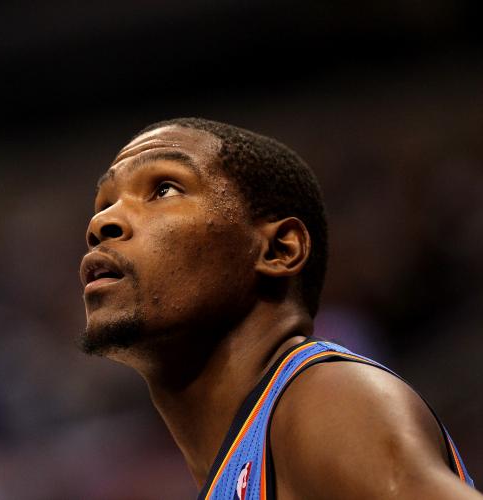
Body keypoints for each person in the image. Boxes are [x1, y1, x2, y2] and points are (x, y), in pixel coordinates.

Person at [78, 118, 479, 499]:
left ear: (278, 249)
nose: (101, 222)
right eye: (104, 203)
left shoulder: (324, 400)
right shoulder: (256, 452)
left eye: (164, 189)